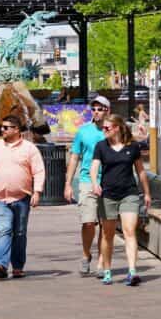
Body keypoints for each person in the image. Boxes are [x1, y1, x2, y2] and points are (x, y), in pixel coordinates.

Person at [0, 114, 45, 280]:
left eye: (6, 127)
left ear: (17, 129)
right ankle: (1, 264)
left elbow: (39, 171)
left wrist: (37, 192)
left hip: (22, 198)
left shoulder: (29, 148)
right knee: (4, 231)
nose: (2, 130)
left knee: (20, 233)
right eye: (2, 127)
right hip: (1, 198)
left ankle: (18, 266)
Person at [90, 114, 152, 286]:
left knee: (129, 231)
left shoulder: (132, 147)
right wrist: (95, 184)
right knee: (107, 234)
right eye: (103, 128)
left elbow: (140, 172)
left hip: (129, 193)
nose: (104, 130)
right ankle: (107, 271)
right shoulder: (101, 146)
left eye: (107, 128)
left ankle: (132, 271)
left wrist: (146, 193)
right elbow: (94, 168)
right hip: (108, 194)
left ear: (117, 128)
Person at [63, 95, 111, 277]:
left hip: (109, 181)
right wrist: (68, 184)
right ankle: (86, 254)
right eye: (95, 109)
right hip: (86, 181)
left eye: (101, 109)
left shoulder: (113, 130)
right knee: (89, 222)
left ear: (108, 111)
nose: (97, 112)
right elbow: (74, 157)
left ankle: (100, 262)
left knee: (105, 224)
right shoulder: (83, 131)